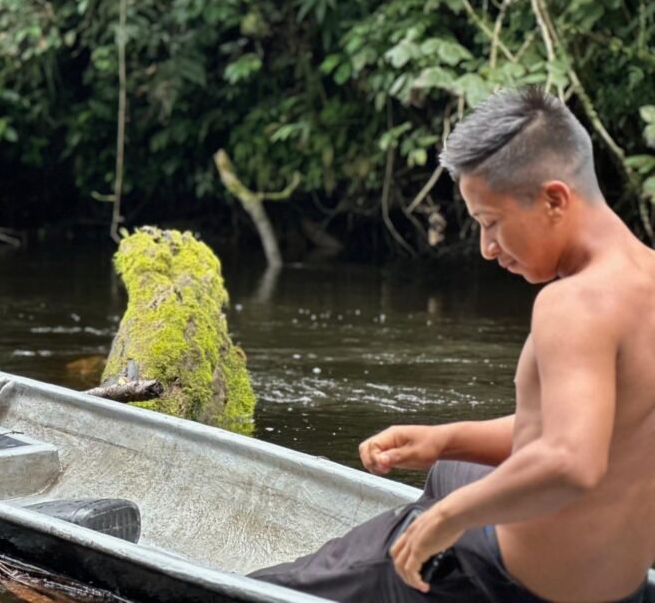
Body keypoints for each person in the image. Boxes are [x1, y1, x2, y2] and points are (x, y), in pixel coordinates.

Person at [250, 87, 655, 602]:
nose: (487, 249)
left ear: (555, 199)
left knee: (341, 567)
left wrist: (448, 518)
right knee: (449, 467)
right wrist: (444, 438)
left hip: (506, 581)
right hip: (619, 587)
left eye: (491, 223)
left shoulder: (574, 304)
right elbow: (592, 429)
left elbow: (571, 460)